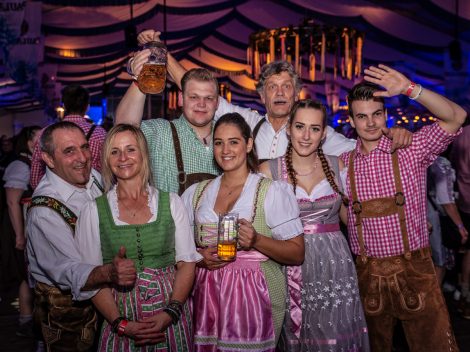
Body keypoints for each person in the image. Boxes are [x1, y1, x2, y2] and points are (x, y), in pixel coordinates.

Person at [121, 30, 412, 162]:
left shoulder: (316, 133)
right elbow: (194, 87)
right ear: (262, 95)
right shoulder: (249, 122)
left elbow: (360, 150)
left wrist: (392, 137)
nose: (280, 92)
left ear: (296, 93)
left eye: (287, 86)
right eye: (272, 87)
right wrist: (162, 53)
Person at [340, 64, 466, 351]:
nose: (371, 123)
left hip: (415, 269)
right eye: (362, 116)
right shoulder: (342, 163)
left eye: (376, 114)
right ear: (351, 120)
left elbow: (457, 116)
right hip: (367, 274)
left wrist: (410, 89)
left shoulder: (411, 149)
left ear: (386, 114)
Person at [182, 113, 304, 351]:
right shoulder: (196, 193)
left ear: (248, 144)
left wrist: (257, 240)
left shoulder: (270, 191)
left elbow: (297, 253)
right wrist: (197, 257)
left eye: (233, 142)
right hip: (206, 299)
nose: (225, 150)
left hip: (254, 302)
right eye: (218, 142)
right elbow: (180, 249)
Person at [75, 124, 201, 351]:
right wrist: (120, 323)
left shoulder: (172, 202)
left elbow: (186, 264)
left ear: (143, 153)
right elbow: (91, 277)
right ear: (107, 159)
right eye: (115, 151)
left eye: (130, 149)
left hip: (170, 315)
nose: (123, 157)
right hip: (121, 316)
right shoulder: (93, 211)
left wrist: (170, 313)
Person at [260, 100, 369, 351]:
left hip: (335, 264)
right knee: (295, 331)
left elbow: (349, 218)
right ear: (289, 129)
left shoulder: (337, 165)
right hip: (289, 262)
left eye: (315, 128)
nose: (306, 136)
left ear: (323, 133)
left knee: (333, 331)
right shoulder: (269, 171)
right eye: (300, 127)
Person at [26, 121, 137, 351]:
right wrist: (110, 271)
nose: (83, 157)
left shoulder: (92, 177)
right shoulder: (45, 210)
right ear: (48, 159)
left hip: (104, 302)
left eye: (84, 147)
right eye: (69, 151)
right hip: (67, 315)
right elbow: (71, 271)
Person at [117, 67, 219, 194]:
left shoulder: (228, 137)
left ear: (217, 103)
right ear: (181, 99)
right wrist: (139, 79)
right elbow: (124, 128)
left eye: (209, 98)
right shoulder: (162, 132)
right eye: (194, 97)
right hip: (171, 214)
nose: (201, 104)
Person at [2, 126, 41, 337]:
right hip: (18, 226)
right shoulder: (19, 164)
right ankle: (26, 321)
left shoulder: (32, 163)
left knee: (28, 276)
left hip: (25, 226)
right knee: (26, 274)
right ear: (28, 142)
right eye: (39, 137)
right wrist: (19, 234)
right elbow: (11, 201)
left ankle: (27, 319)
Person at [30, 85, 107, 189]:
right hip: (92, 195)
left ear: (64, 106)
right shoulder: (100, 133)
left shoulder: (45, 134)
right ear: (87, 107)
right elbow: (106, 173)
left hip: (56, 198)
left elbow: (35, 179)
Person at [427, 156, 468, 285]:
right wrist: (460, 226)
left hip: (419, 216)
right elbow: (446, 200)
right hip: (434, 219)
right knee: (440, 263)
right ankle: (434, 303)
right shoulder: (440, 164)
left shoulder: (418, 157)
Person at [450, 124, 470, 319]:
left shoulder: (462, 134)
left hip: (463, 200)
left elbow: (454, 163)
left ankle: (464, 296)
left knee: (466, 251)